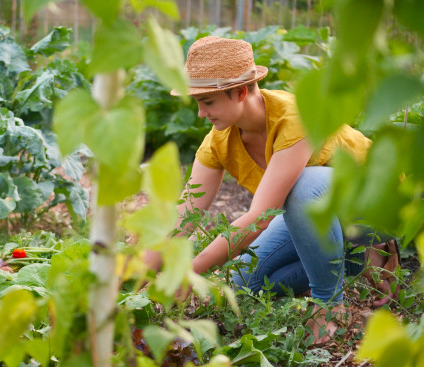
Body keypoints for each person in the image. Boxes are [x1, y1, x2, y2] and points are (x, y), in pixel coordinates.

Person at [144, 36, 400, 344]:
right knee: (241, 283)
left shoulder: (293, 117)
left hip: (378, 205)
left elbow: (260, 217)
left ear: (239, 92)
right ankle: (354, 261)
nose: (201, 114)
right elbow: (186, 212)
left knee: (301, 187)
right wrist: (132, 275)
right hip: (318, 220)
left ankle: (329, 306)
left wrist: (191, 270)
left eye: (207, 102)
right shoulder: (218, 141)